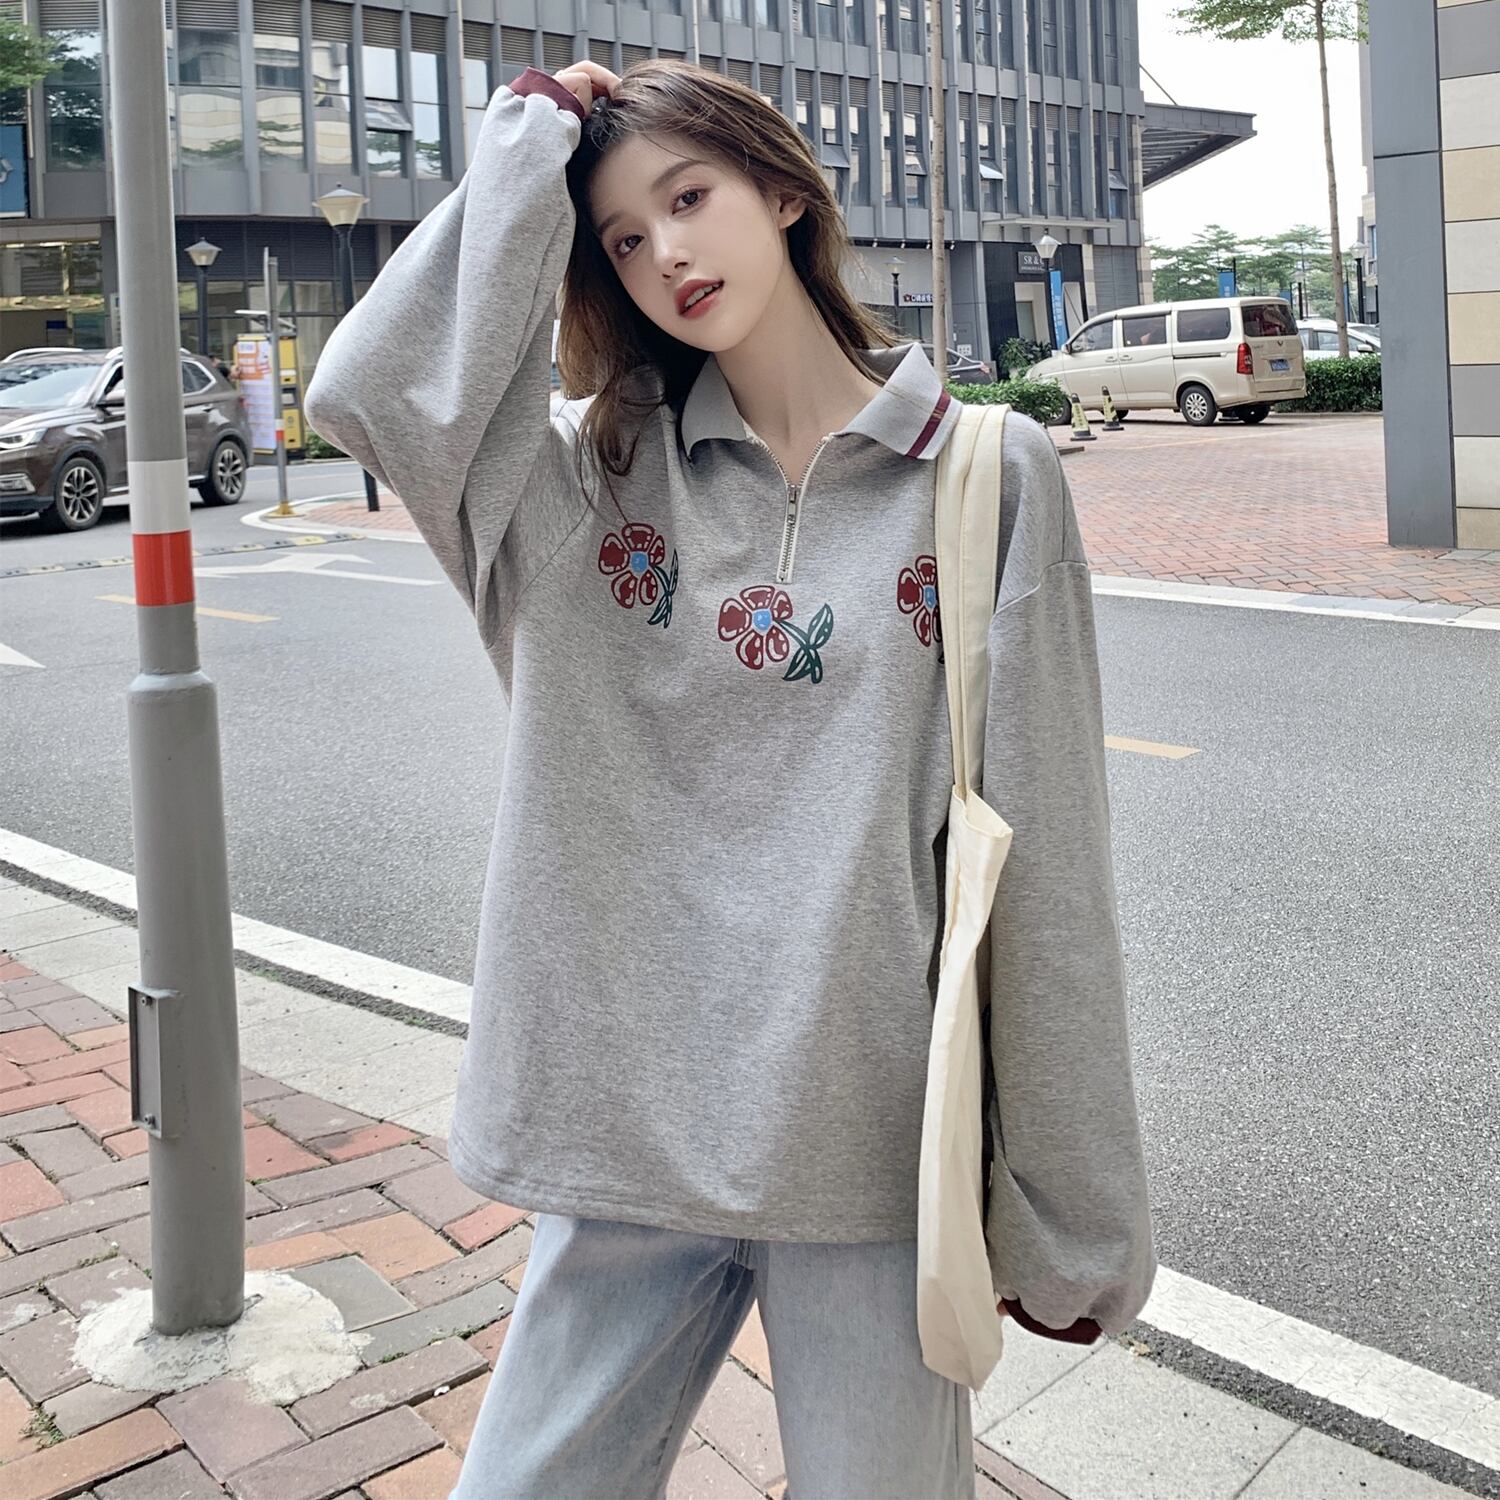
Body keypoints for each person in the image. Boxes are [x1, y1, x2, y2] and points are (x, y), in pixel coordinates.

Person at [304, 56, 1155, 1500]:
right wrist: (527, 145)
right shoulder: (578, 490)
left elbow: (1049, 862)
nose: (666, 254)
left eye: (689, 198)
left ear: (782, 190)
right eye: (623, 237)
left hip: (866, 1155)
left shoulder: (985, 475)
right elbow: (370, 392)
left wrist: (1071, 1213)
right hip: (622, 1140)